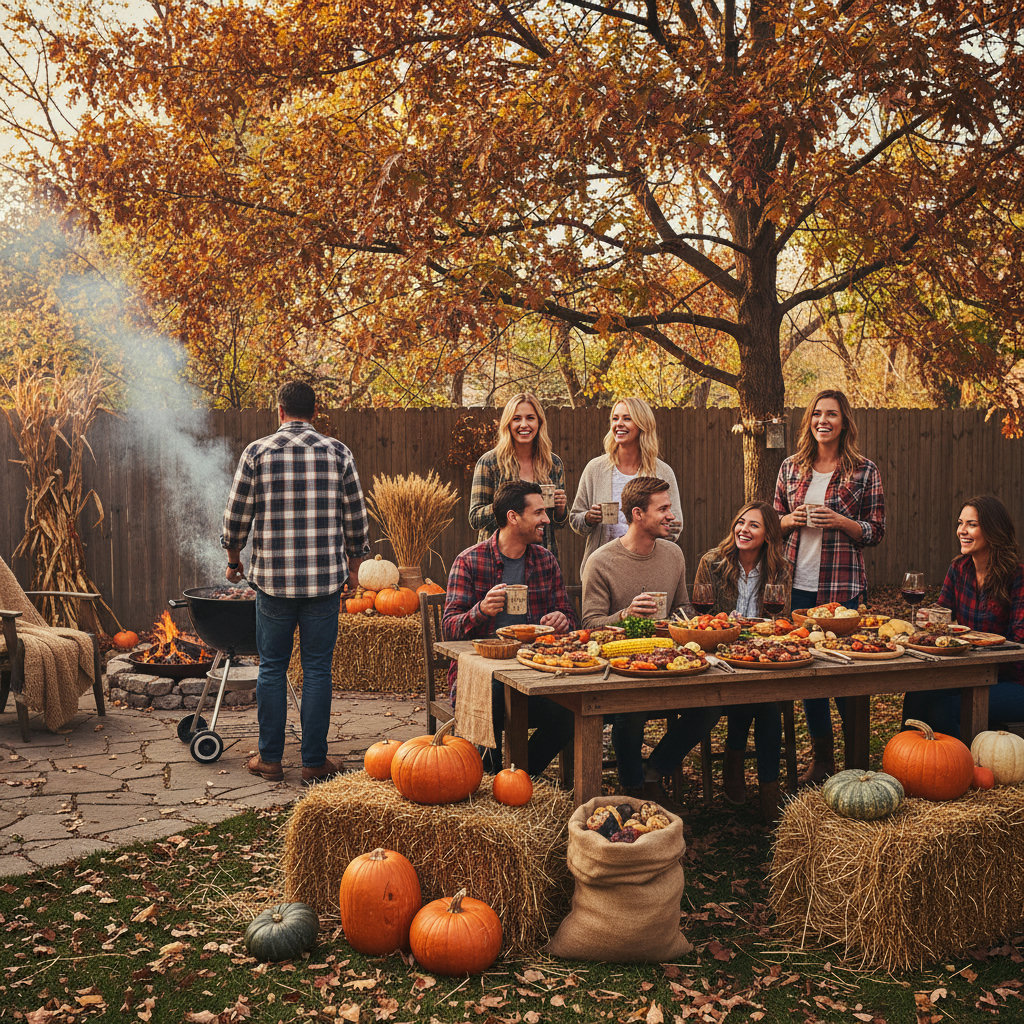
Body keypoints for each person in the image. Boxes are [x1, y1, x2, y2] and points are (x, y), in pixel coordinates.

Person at [222, 381, 369, 785]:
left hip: (273, 582)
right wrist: (355, 568)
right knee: (317, 669)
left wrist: (233, 560)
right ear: (315, 412)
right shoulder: (338, 452)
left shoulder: (257, 452)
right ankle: (313, 763)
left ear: (280, 411)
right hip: (324, 583)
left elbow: (236, 517)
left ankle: (270, 760)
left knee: (272, 667)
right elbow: (355, 517)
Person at [581, 475, 718, 797]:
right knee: (631, 712)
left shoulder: (673, 554)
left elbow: (683, 608)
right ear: (638, 514)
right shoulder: (601, 561)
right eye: (663, 509)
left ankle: (655, 770)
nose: (671, 515)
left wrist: (700, 624)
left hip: (671, 663)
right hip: (622, 671)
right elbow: (590, 624)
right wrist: (625, 615)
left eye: (669, 508)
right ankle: (633, 788)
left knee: (712, 706)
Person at [774, 389, 885, 783]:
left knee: (847, 673)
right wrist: (791, 520)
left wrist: (840, 521)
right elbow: (774, 523)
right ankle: (822, 759)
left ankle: (857, 759)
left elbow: (875, 530)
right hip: (797, 586)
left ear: (844, 422)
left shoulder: (864, 470)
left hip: (843, 588)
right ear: (809, 421)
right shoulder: (790, 467)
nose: (823, 421)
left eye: (832, 414)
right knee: (810, 674)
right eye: (817, 414)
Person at [443, 480, 576, 775]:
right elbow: (449, 630)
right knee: (489, 695)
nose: (546, 519)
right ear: (513, 517)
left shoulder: (545, 560)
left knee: (571, 709)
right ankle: (489, 777)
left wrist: (562, 620)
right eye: (538, 512)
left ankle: (519, 775)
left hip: (535, 671)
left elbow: (570, 616)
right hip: (482, 675)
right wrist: (480, 611)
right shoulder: (469, 561)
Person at [692, 501, 792, 819]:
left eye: (753, 525)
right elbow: (700, 619)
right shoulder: (712, 562)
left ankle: (762, 785)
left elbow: (782, 621)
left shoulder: (780, 569)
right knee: (760, 698)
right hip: (719, 658)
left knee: (765, 699)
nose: (743, 530)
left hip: (760, 657)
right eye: (741, 522)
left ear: (769, 535)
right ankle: (750, 776)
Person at [902, 496, 1024, 735]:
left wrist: (969, 646)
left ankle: (965, 759)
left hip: (1013, 681)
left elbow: (1019, 644)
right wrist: (929, 619)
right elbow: (942, 615)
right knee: (918, 695)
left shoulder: (1017, 576)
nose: (962, 531)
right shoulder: (959, 568)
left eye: (972, 524)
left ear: (993, 530)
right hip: (971, 673)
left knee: (944, 710)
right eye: (960, 523)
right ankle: (902, 757)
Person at [571, 396, 682, 570]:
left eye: (627, 418)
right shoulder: (595, 469)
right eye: (615, 418)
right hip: (604, 567)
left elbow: (675, 526)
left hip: (647, 567)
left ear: (642, 424)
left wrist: (654, 530)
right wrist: (588, 518)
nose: (619, 424)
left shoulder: (662, 472)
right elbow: (575, 519)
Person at [468, 392, 569, 557]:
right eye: (516, 419)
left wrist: (560, 509)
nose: (524, 424)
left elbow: (558, 524)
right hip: (498, 558)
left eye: (530, 418)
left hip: (542, 558)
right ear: (508, 423)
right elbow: (475, 518)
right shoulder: (489, 463)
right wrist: (507, 504)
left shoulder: (553, 463)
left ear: (539, 422)